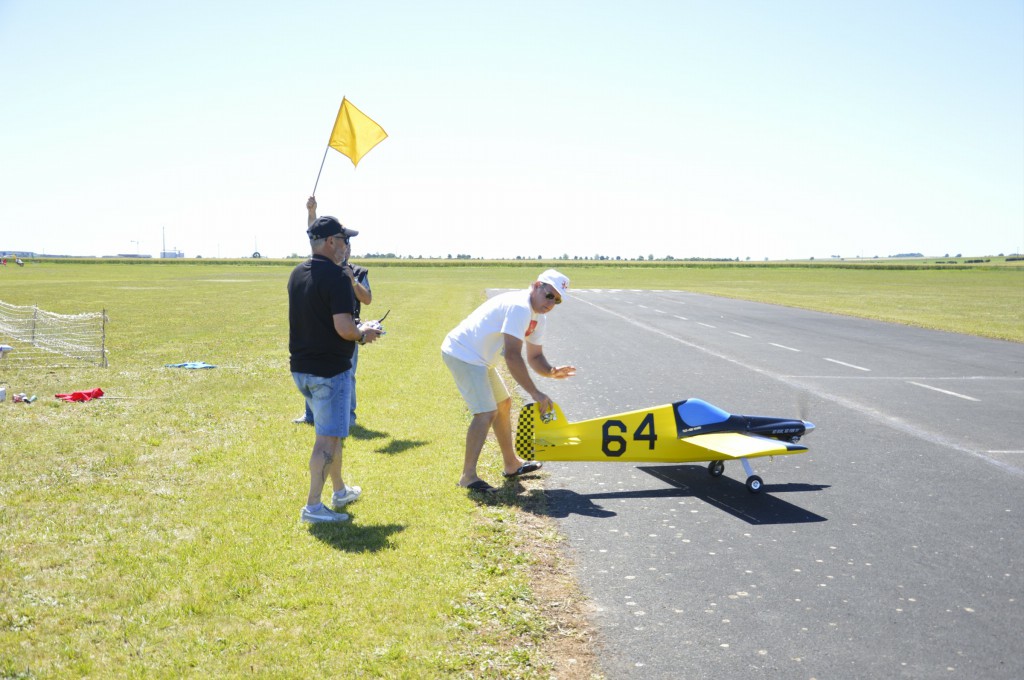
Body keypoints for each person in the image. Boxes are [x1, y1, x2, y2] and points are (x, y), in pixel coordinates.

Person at [441, 269, 576, 491]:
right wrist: (535, 393)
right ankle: (468, 477)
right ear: (535, 285)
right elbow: (512, 356)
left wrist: (551, 371)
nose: (551, 302)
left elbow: (534, 357)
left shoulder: (538, 317)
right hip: (462, 353)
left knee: (503, 404)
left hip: (480, 359)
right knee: (485, 412)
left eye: (557, 300)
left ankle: (511, 464)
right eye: (549, 295)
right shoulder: (519, 307)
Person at [289, 214, 383, 523]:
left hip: (302, 369)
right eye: (344, 240)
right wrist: (363, 333)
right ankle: (313, 507)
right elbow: (344, 328)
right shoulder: (338, 277)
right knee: (327, 439)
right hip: (330, 371)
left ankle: (339, 490)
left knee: (334, 434)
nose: (347, 246)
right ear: (331, 242)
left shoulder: (297, 273)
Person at [293, 196, 373, 426]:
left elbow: (367, 299)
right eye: (343, 242)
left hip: (348, 327)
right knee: (315, 373)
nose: (346, 247)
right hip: (321, 328)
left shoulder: (357, 271)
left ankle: (349, 417)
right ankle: (311, 415)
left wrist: (352, 283)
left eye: (348, 245)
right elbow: (314, 235)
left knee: (347, 375)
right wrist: (311, 212)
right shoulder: (320, 268)